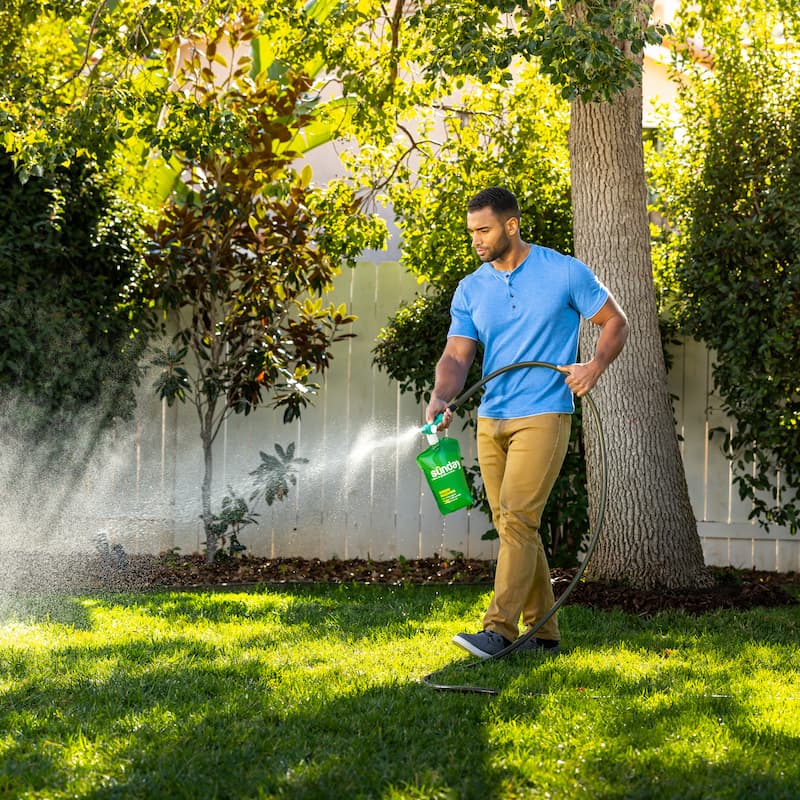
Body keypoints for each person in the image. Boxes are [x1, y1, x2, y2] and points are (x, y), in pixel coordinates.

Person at [425, 187, 629, 659]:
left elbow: (615, 321)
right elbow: (458, 355)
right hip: (492, 418)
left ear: (511, 225)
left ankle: (497, 630)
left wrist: (593, 366)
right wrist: (440, 396)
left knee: (516, 518)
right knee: (516, 526)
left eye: (484, 230)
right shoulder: (472, 287)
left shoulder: (563, 272)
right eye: (471, 231)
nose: (476, 239)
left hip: (543, 412)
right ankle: (545, 634)